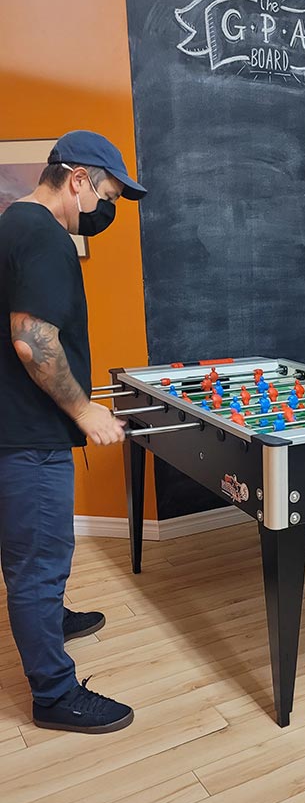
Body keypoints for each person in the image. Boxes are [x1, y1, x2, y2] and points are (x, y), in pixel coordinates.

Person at [0, 130, 147, 731]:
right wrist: (85, 411)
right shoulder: (43, 235)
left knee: (29, 559)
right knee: (39, 563)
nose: (103, 208)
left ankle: (50, 617)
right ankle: (55, 695)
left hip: (17, 429)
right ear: (79, 178)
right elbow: (33, 340)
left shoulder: (13, 223)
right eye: (105, 192)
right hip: (30, 438)